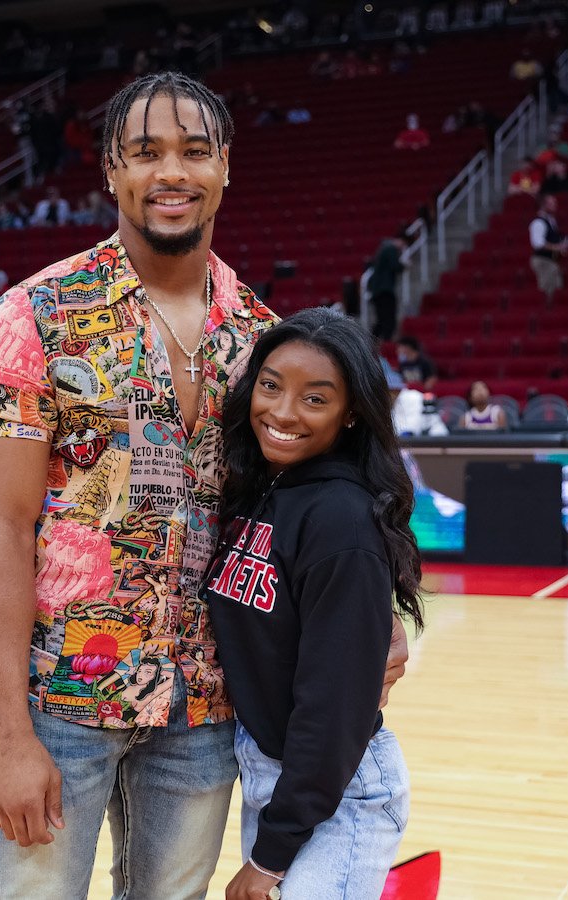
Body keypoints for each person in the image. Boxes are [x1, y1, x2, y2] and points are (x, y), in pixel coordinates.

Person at [0, 72, 409, 900]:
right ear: (109, 170)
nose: (172, 171)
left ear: (226, 167)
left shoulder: (262, 339)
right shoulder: (36, 317)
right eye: (145, 152)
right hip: (61, 702)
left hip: (206, 709)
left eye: (194, 151)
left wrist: (376, 614)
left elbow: (317, 507)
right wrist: (8, 735)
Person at [204, 307, 422, 900]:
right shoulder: (265, 489)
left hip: (335, 789)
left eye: (315, 399)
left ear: (351, 414)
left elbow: (332, 705)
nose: (282, 412)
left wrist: (271, 857)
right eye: (271, 386)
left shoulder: (341, 521)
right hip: (282, 777)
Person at [529, 194, 568, 302]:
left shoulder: (551, 221)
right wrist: (557, 247)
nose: (555, 205)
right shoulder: (538, 222)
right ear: (543, 205)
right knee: (548, 291)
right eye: (552, 203)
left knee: (556, 288)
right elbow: (538, 243)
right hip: (544, 260)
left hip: (552, 261)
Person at [367, 233, 407, 341]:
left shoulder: (383, 249)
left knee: (381, 320)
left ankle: (370, 342)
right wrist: (405, 265)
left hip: (378, 291)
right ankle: (386, 344)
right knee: (389, 320)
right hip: (384, 290)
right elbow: (396, 266)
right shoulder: (390, 249)